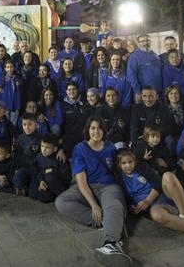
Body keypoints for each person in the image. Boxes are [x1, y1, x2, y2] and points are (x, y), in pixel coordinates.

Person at [55, 115, 129, 260]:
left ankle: (111, 243)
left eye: (100, 128)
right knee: (61, 202)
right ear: (88, 130)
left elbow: (120, 170)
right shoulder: (80, 148)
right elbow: (81, 180)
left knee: (114, 204)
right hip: (87, 187)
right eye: (93, 128)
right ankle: (110, 221)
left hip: (108, 186)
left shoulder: (110, 147)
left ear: (104, 131)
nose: (96, 131)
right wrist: (94, 205)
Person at [130, 86, 175, 150]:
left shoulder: (164, 109)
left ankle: (170, 159)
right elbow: (134, 129)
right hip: (143, 139)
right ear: (141, 97)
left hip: (159, 138)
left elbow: (166, 129)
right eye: (144, 96)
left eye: (151, 96)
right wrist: (141, 140)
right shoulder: (136, 109)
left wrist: (153, 137)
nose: (148, 99)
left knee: (169, 140)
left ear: (156, 97)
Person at [30, 133, 71, 203]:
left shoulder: (60, 157)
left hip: (59, 183)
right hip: (46, 182)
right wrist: (41, 181)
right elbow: (38, 170)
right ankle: (53, 195)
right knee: (37, 196)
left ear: (54, 149)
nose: (43, 149)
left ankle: (63, 197)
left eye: (47, 147)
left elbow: (66, 176)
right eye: (42, 146)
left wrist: (53, 172)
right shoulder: (39, 156)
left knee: (49, 176)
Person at [126, 34, 163, 104]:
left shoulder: (156, 56)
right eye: (142, 41)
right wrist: (138, 91)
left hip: (157, 94)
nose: (145, 43)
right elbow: (131, 75)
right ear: (138, 43)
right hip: (144, 95)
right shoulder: (134, 57)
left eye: (147, 40)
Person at [13, 113, 42, 196]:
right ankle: (27, 183)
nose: (27, 127)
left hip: (36, 169)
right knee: (16, 180)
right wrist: (17, 168)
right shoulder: (20, 138)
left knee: (33, 195)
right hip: (25, 166)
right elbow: (18, 155)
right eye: (24, 125)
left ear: (36, 125)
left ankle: (32, 184)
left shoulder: (41, 138)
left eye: (30, 124)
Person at [61, 83, 86, 158]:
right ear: (66, 92)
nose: (71, 91)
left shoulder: (85, 102)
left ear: (78, 90)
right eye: (69, 90)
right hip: (69, 137)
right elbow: (62, 124)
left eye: (74, 89)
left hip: (83, 136)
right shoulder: (63, 105)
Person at [0, 60, 22, 125]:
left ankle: (13, 134)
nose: (9, 69)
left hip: (15, 104)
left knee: (13, 123)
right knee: (4, 123)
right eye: (7, 67)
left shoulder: (17, 78)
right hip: (4, 105)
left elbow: (19, 93)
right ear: (5, 68)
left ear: (14, 68)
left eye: (11, 67)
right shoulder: (1, 79)